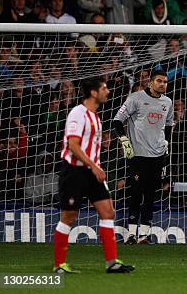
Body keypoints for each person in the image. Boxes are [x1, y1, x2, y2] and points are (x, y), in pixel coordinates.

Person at [53, 77, 134, 274]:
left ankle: (112, 262)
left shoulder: (95, 116)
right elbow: (73, 145)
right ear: (93, 93)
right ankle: (59, 264)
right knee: (69, 216)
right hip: (74, 171)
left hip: (92, 171)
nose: (108, 91)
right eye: (104, 88)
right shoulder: (78, 113)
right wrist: (94, 166)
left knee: (108, 212)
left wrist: (96, 168)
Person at [113, 70, 174, 245]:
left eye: (165, 82)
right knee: (136, 192)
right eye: (159, 81)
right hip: (138, 154)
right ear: (150, 82)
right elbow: (117, 120)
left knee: (150, 194)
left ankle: (144, 235)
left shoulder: (167, 102)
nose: (163, 84)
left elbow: (169, 124)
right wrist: (124, 139)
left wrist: (167, 142)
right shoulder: (135, 98)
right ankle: (131, 234)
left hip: (158, 154)